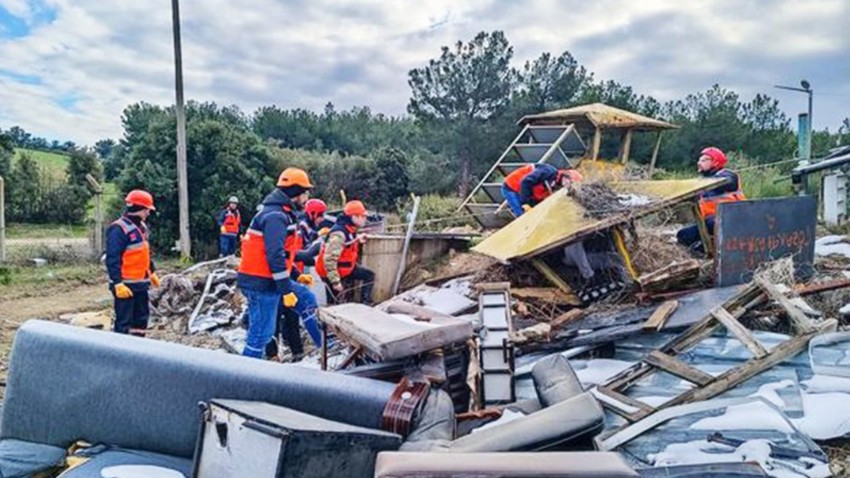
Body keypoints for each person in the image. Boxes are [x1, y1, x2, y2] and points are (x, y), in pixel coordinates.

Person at [237, 168, 319, 359]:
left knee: (307, 299)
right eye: (305, 192)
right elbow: (274, 255)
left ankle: (325, 348)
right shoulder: (276, 216)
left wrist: (297, 276)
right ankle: (243, 376)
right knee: (261, 334)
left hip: (269, 279)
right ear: (295, 192)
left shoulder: (282, 213)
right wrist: (286, 289)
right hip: (261, 283)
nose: (307, 197)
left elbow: (283, 254)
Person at [106, 190, 160, 337]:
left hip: (141, 283)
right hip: (125, 285)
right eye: (147, 209)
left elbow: (144, 252)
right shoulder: (118, 229)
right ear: (139, 208)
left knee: (141, 320)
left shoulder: (142, 227)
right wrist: (117, 283)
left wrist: (152, 271)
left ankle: (138, 348)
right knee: (124, 322)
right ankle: (121, 354)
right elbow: (112, 258)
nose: (148, 213)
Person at [676, 147, 746, 254]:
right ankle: (705, 248)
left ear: (715, 161)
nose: (699, 163)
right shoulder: (702, 181)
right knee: (682, 235)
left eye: (704, 160)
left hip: (732, 218)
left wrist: (709, 180)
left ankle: (711, 248)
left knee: (711, 222)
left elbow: (729, 182)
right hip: (709, 221)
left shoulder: (727, 174)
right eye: (699, 160)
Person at [317, 200, 374, 305]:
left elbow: (347, 243)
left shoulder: (349, 229)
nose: (365, 219)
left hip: (345, 268)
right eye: (363, 216)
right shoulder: (339, 234)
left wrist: (357, 240)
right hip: (330, 272)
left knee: (369, 276)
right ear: (354, 217)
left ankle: (365, 305)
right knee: (334, 304)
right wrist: (335, 282)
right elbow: (329, 259)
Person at [501, 164, 583, 217]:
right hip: (511, 186)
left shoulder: (556, 184)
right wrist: (526, 203)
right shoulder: (548, 172)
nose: (568, 185)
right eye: (570, 182)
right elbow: (525, 182)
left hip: (526, 191)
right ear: (566, 176)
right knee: (521, 215)